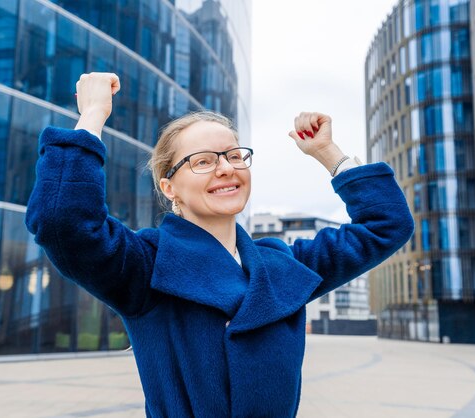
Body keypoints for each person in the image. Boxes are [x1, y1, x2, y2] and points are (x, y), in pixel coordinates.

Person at [25, 72, 414, 417]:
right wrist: (92, 114)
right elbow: (64, 222)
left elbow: (387, 225)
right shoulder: (146, 265)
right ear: (169, 187)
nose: (226, 167)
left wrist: (327, 153)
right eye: (203, 161)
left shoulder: (284, 266)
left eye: (233, 155)